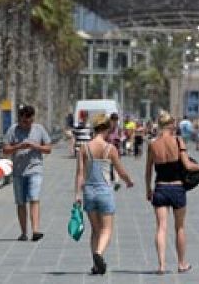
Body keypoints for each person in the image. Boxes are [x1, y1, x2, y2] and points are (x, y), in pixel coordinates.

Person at [74, 113, 134, 275]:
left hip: (89, 192)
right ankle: (99, 254)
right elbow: (121, 171)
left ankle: (95, 265)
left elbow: (80, 173)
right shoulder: (110, 148)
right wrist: (129, 181)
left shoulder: (84, 148)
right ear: (107, 129)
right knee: (107, 229)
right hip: (104, 192)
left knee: (95, 230)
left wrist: (77, 195)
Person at [145, 110, 199, 275]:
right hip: (177, 188)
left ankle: (161, 265)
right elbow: (187, 165)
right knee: (180, 228)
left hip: (160, 187)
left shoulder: (152, 144)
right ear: (170, 125)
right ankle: (182, 263)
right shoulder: (178, 141)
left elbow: (148, 171)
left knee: (161, 227)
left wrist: (148, 189)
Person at [3, 105, 52, 241]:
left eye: (30, 121)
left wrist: (36, 146)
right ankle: (24, 232)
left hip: (35, 169)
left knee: (34, 198)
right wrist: (18, 146)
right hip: (18, 171)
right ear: (20, 118)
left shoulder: (39, 129)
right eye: (24, 121)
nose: (27, 124)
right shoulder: (13, 130)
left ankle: (35, 230)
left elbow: (48, 148)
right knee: (21, 202)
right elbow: (5, 149)